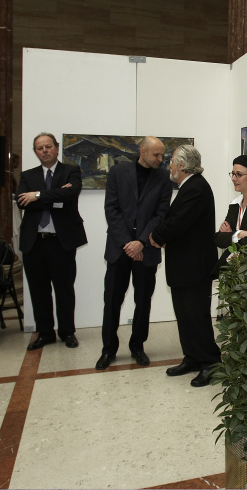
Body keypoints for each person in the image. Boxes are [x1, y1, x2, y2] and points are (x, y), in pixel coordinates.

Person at [96, 136, 172, 370]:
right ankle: (108, 349)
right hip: (119, 250)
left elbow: (161, 215)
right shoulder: (118, 172)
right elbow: (112, 210)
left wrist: (140, 243)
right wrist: (128, 243)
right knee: (112, 301)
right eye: (156, 155)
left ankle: (137, 346)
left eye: (162, 155)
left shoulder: (163, 178)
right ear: (142, 151)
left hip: (146, 250)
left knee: (143, 301)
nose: (160, 159)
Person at [149, 145, 220, 387]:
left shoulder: (196, 187)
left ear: (181, 165)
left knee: (196, 316)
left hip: (195, 268)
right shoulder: (189, 187)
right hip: (184, 266)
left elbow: (177, 222)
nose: (168, 164)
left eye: (171, 161)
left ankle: (210, 363)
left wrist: (156, 236)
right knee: (184, 315)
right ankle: (192, 358)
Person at [16, 132, 87, 351]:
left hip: (61, 242)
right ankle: (45, 332)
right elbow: (22, 202)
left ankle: (67, 332)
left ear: (56, 148)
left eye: (48, 146)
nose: (45, 151)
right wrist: (55, 194)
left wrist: (37, 196)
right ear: (35, 152)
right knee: (39, 291)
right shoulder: (27, 175)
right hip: (34, 242)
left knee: (64, 289)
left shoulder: (71, 171)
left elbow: (71, 193)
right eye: (39, 148)